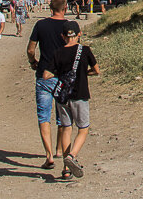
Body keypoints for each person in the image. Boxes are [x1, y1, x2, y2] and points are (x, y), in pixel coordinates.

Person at [45, 20, 100, 179]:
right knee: (83, 129)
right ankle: (72, 156)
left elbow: (46, 75)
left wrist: (61, 76)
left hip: (62, 97)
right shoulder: (85, 50)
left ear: (63, 36)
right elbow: (96, 70)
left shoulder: (58, 52)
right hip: (80, 94)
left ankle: (66, 169)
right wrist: (84, 74)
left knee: (66, 128)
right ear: (79, 34)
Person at [26, 0, 70, 169]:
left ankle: (49, 155)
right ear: (65, 7)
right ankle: (60, 149)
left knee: (44, 116)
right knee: (62, 116)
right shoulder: (69, 26)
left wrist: (33, 62)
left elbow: (30, 49)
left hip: (44, 73)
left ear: (50, 7)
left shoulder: (41, 25)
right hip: (63, 75)